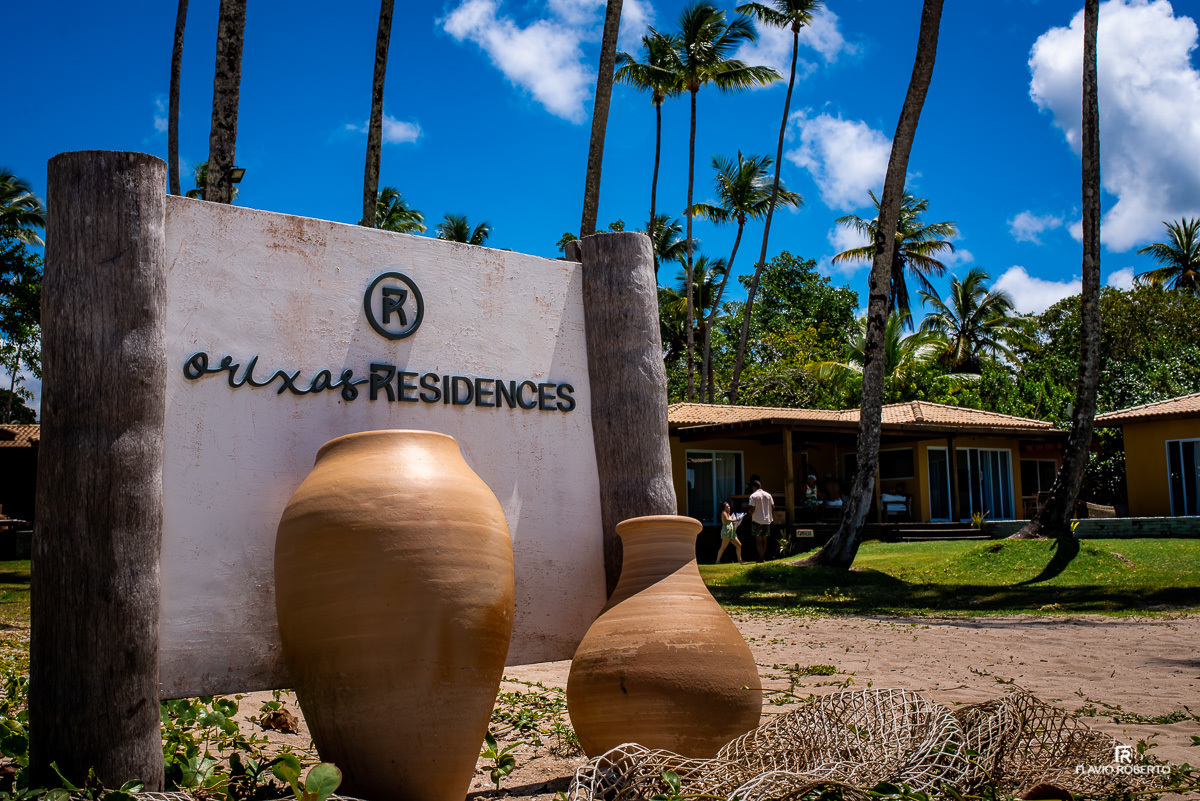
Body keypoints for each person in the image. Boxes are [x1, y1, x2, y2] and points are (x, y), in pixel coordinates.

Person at [747, 479, 774, 563]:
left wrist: (750, 513)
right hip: (767, 520)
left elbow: (752, 508)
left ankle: (761, 558)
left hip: (757, 520)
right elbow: (773, 506)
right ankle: (762, 558)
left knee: (758, 540)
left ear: (753, 487)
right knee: (764, 540)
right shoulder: (768, 495)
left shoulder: (753, 496)